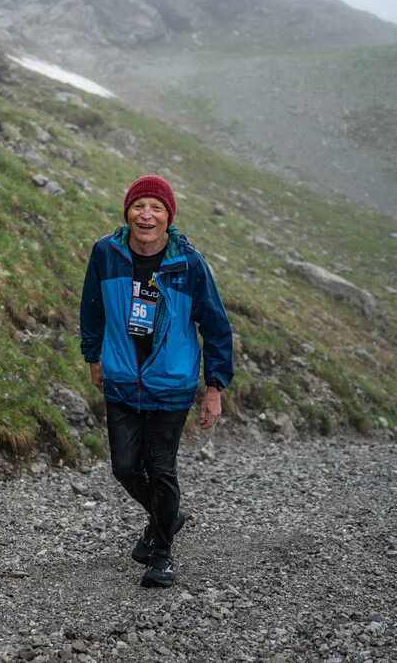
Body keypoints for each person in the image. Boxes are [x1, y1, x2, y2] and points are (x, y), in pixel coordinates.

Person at [79, 175, 233, 587]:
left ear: (169, 216)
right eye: (138, 206)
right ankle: (168, 515)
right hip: (121, 378)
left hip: (171, 383)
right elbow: (92, 309)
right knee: (126, 468)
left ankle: (162, 553)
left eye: (156, 208)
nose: (146, 215)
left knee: (161, 469)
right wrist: (93, 357)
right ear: (127, 212)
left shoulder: (190, 264)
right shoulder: (106, 253)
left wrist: (214, 387)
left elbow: (216, 327)